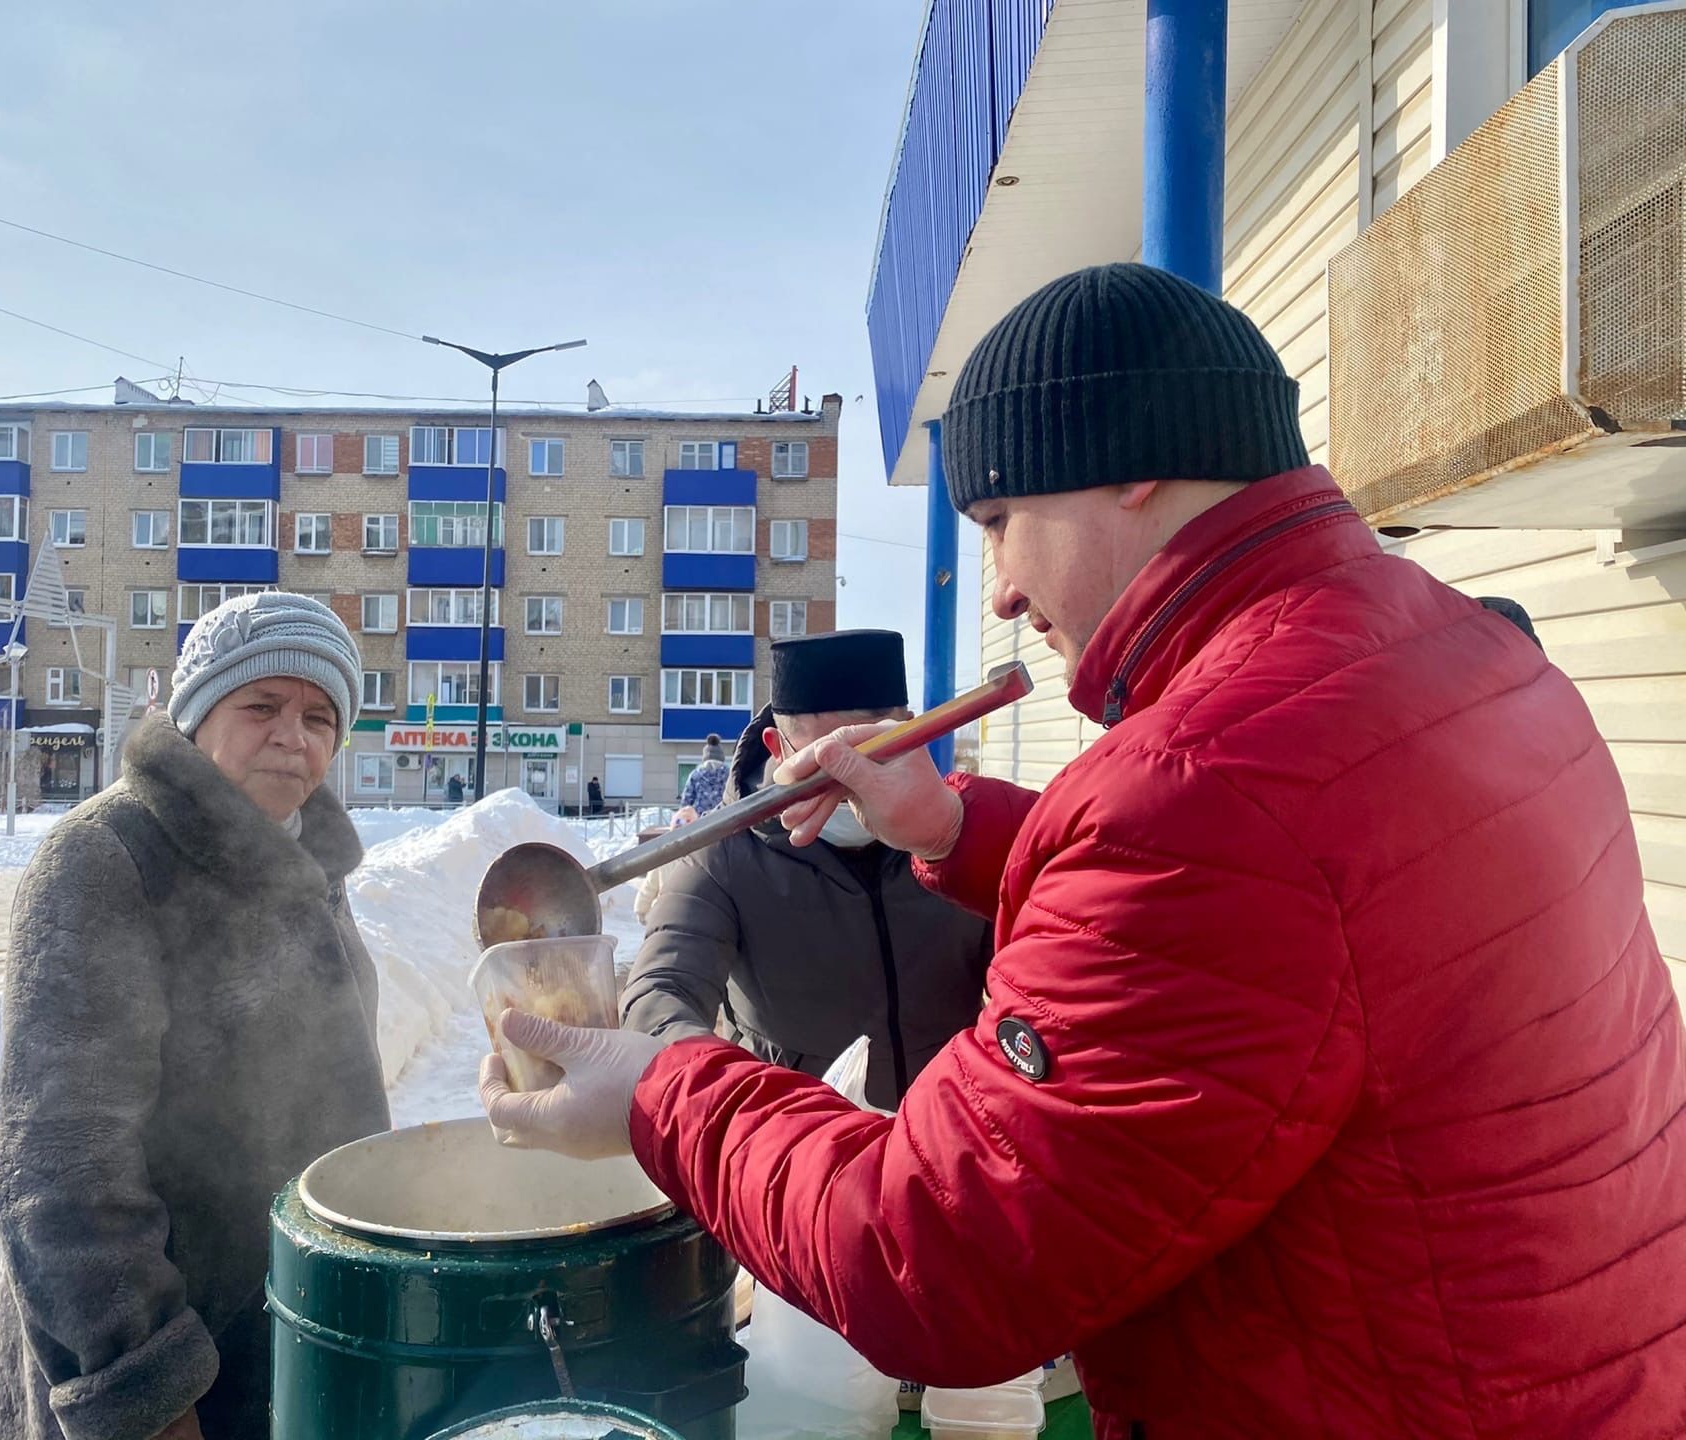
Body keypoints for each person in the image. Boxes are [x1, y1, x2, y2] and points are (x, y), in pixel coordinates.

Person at [482, 265, 1686, 1435]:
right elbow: (1284, 943)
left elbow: (929, 1258)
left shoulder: (1212, 788)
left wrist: (659, 1094)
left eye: (1002, 520)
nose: (999, 589)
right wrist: (952, 828)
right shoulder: (1465, 656)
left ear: (1134, 469)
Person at [0, 591, 390, 1440]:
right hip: (168, 1376)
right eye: (261, 706)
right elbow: (60, 1168)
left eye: (321, 716)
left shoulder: (308, 869)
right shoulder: (108, 859)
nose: (294, 735)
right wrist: (148, 1392)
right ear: (199, 715)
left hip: (289, 1340)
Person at [621, 631, 992, 1108]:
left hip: (955, 1134)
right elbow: (660, 994)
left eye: (877, 754)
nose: (851, 789)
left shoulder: (960, 836)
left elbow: (1038, 968)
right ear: (778, 748)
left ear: (912, 731)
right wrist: (735, 1108)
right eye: (822, 769)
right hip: (798, 1151)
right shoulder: (724, 855)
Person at [679, 734, 729, 816]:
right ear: (721, 756)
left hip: (699, 820)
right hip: (722, 818)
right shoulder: (728, 774)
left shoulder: (696, 774)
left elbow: (686, 801)